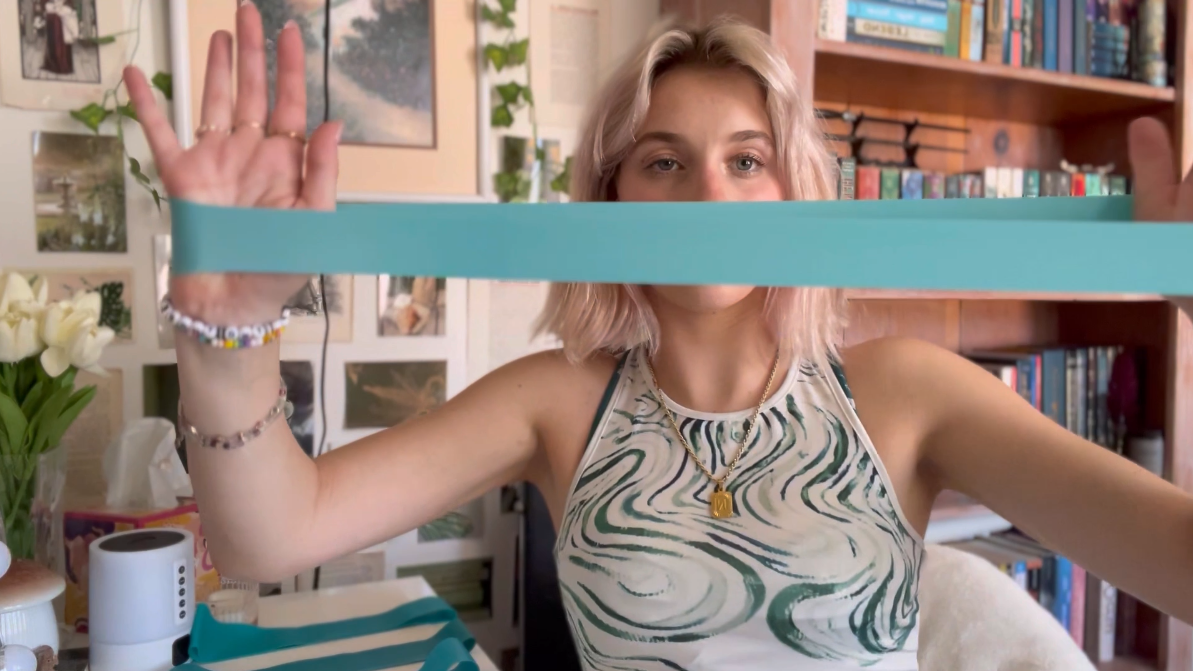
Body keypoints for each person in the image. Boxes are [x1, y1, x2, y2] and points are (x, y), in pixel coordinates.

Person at [125, 4, 1193, 669]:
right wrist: (227, 333)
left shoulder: (910, 393)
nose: (709, 195)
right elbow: (270, 536)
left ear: (794, 190)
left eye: (746, 159)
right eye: (664, 160)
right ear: (612, 197)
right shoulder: (554, 400)